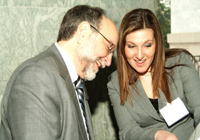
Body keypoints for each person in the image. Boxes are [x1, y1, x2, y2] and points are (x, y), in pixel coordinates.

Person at [0, 5, 118, 140]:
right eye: (109, 47)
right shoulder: (36, 78)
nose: (109, 62)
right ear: (83, 32)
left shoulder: (74, 81)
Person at [107, 8, 200, 140]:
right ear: (122, 47)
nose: (139, 55)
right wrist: (157, 135)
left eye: (147, 45)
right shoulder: (115, 83)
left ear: (157, 43)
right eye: (132, 46)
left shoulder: (180, 63)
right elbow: (127, 130)